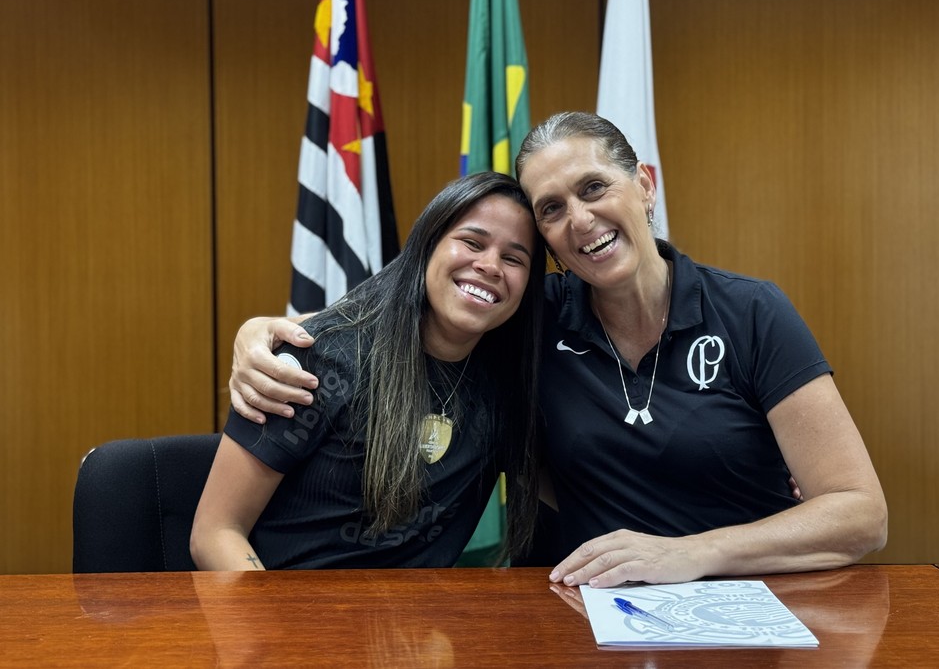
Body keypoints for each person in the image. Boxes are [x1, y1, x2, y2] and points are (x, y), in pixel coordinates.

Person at [227, 112, 888, 587]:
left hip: (752, 602)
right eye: (551, 209)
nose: (579, 220)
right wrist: (261, 333)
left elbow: (860, 516)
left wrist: (688, 554)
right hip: (584, 609)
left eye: (594, 188)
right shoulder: (530, 318)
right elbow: (403, 313)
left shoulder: (751, 312)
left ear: (646, 185)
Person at [190, 172, 544, 570]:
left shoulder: (510, 382)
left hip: (418, 627)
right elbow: (216, 533)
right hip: (290, 619)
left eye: (513, 258)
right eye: (471, 242)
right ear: (428, 246)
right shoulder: (320, 358)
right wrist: (279, 632)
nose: (490, 266)